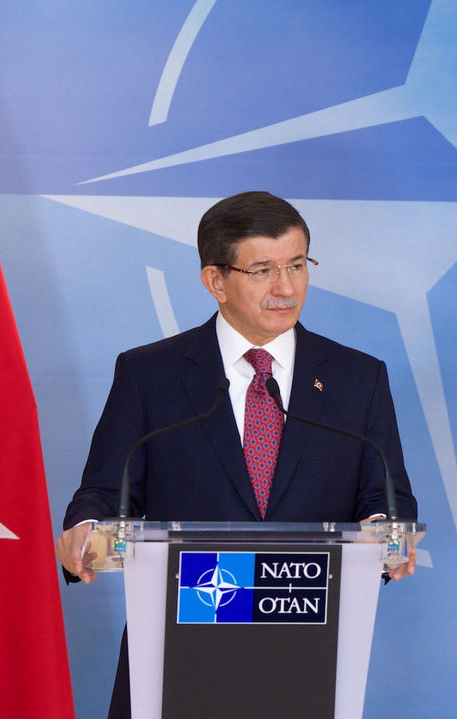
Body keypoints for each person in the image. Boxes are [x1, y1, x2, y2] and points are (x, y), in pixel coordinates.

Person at [55, 190, 418, 717]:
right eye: (263, 270)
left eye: (297, 264)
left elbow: (388, 496)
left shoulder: (356, 378)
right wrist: (87, 527)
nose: (286, 287)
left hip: (308, 657)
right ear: (215, 281)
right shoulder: (150, 375)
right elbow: (106, 491)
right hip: (177, 656)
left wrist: (384, 535)